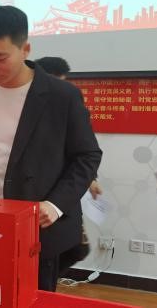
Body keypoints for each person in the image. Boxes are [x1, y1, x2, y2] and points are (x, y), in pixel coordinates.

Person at [0, 5, 102, 291]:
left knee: (32, 297)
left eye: (0, 58)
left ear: (25, 49)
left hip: (37, 227)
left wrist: (55, 205)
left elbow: (87, 155)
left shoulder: (61, 95)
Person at [35, 55, 105, 275]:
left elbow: (83, 151)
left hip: (60, 197)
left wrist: (91, 179)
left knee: (73, 249)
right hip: (36, 197)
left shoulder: (68, 104)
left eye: (63, 83)